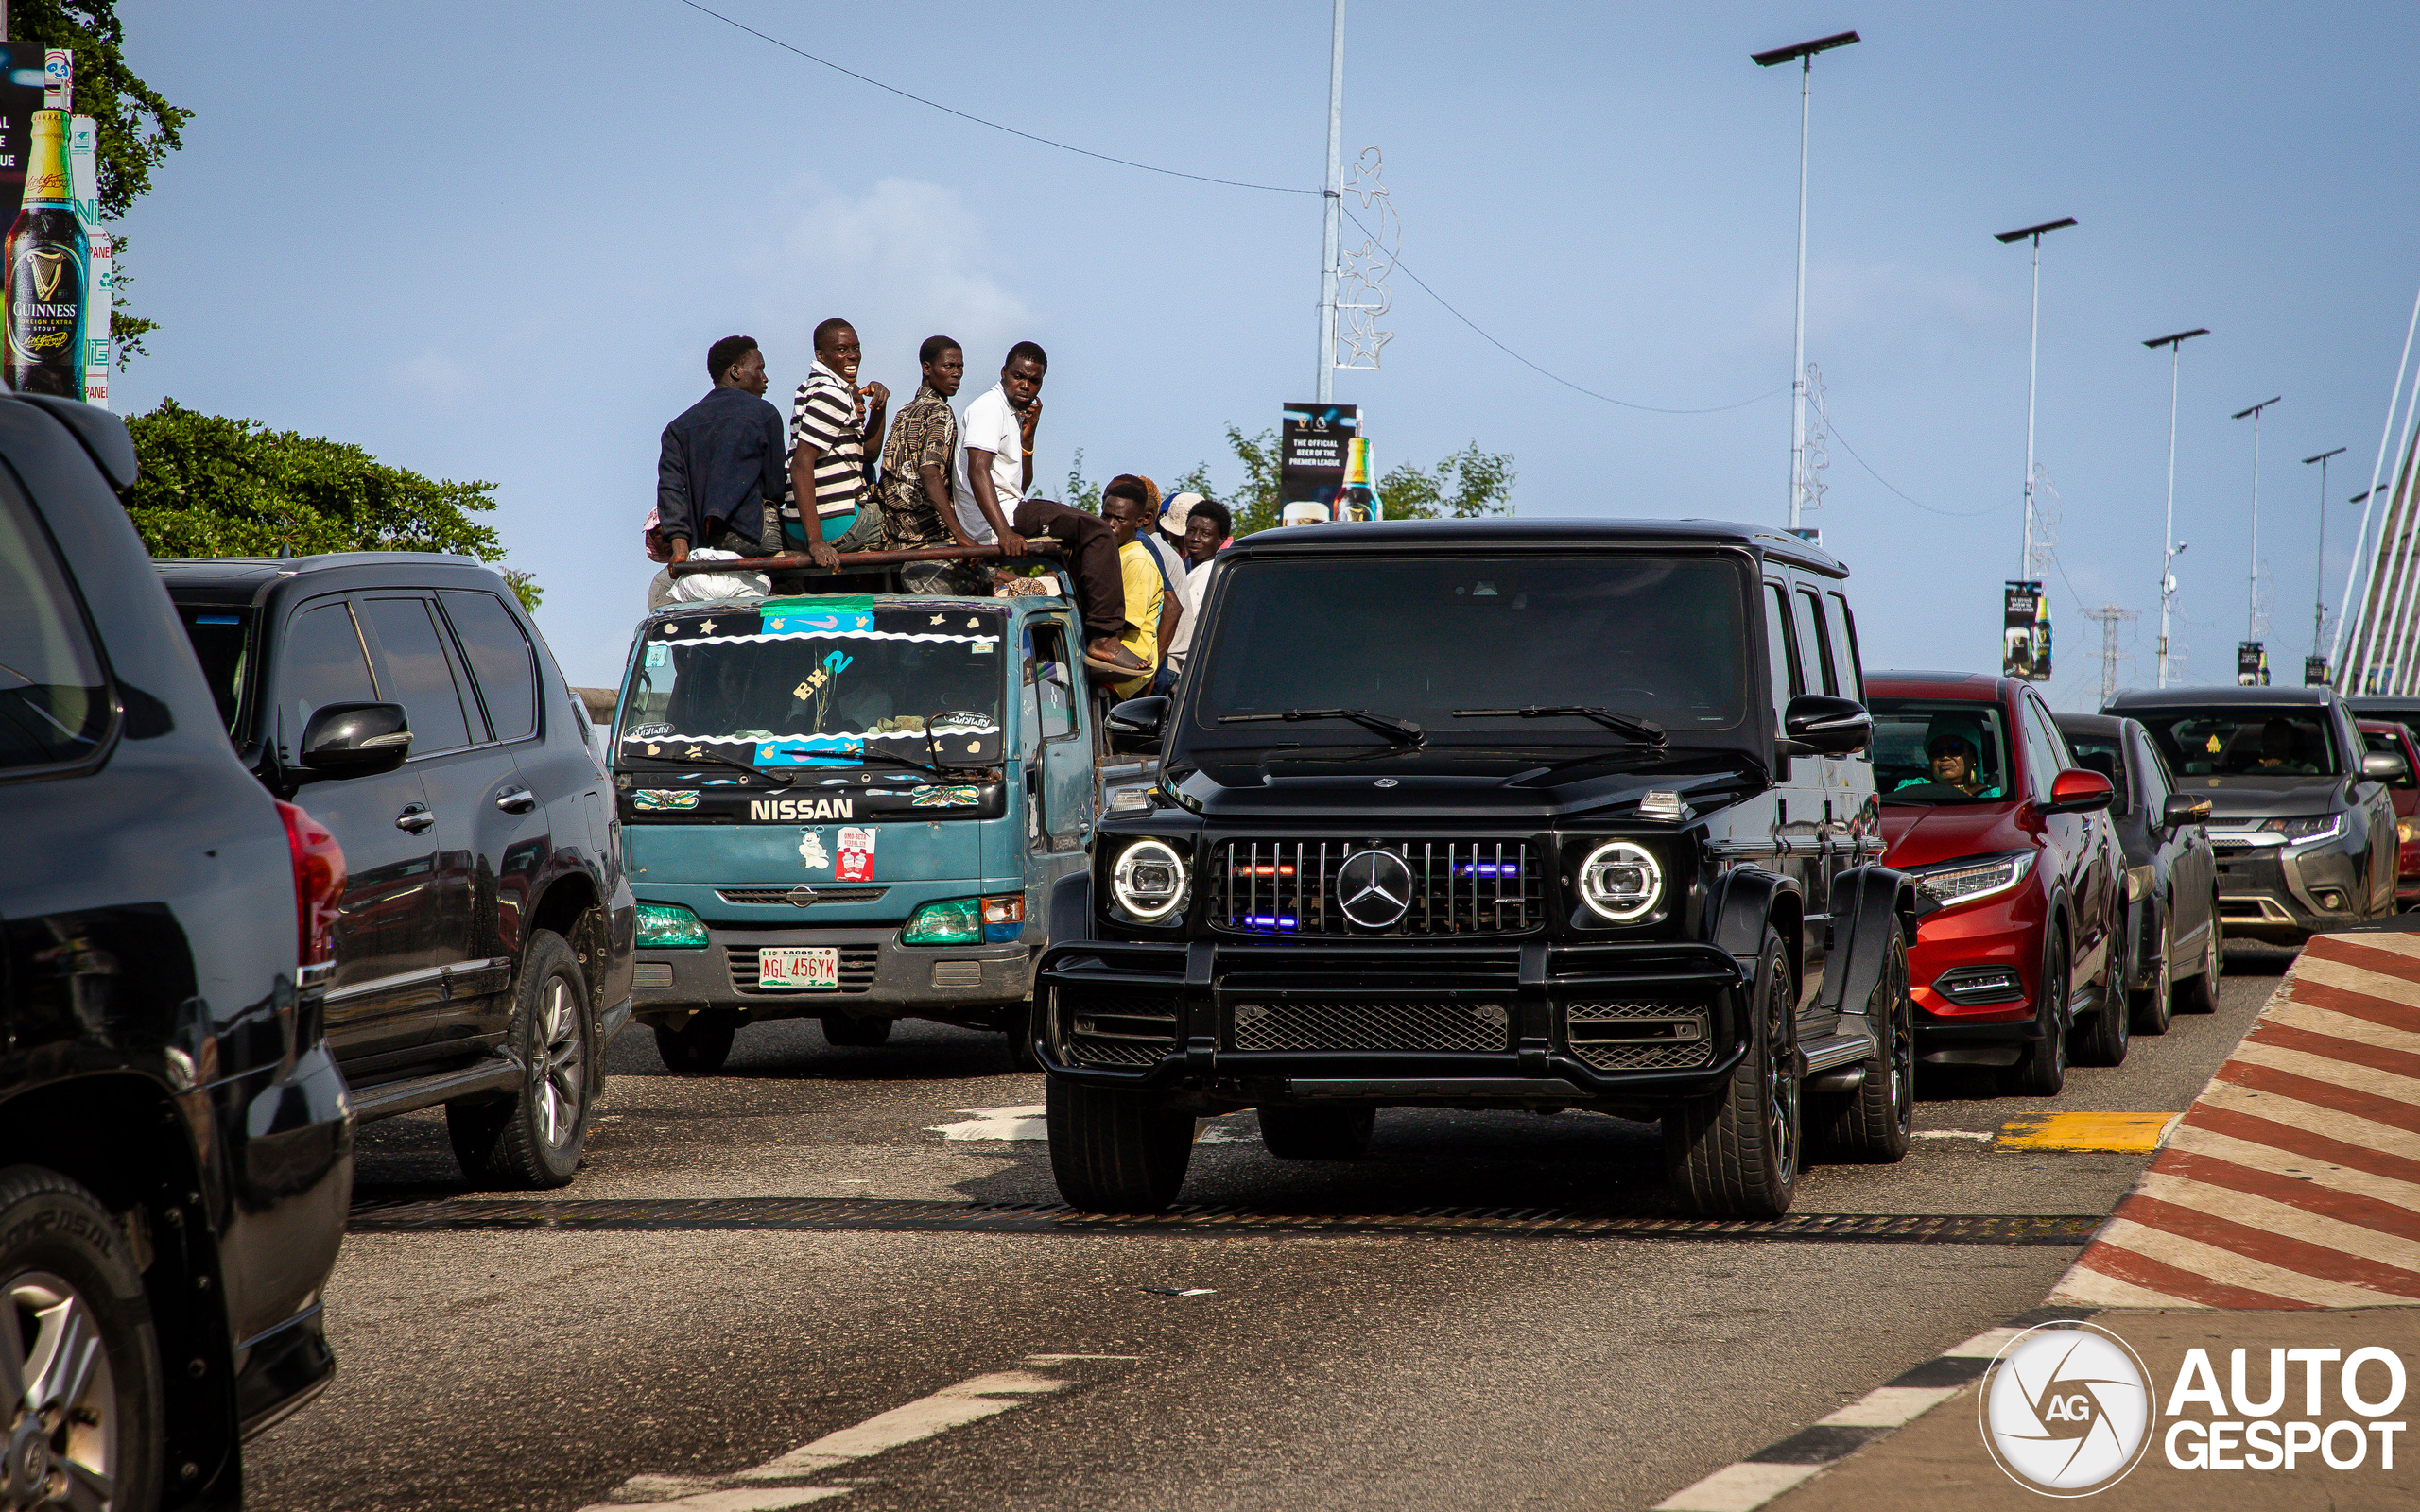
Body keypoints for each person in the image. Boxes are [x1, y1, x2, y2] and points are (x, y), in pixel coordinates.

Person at [656, 335, 786, 566]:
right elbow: (776, 489)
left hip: (703, 543)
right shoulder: (765, 414)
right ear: (735, 371)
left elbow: (671, 490)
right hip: (754, 536)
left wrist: (680, 547)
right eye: (759, 369)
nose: (765, 379)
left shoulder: (677, 428)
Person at [877, 335, 980, 593]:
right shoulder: (940, 412)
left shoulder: (904, 411)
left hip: (894, 535)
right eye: (948, 366)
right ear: (927, 368)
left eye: (960, 367)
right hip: (927, 535)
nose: (957, 374)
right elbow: (928, 471)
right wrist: (959, 534)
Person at [786, 318, 890, 570]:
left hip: (796, 526)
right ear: (821, 356)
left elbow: (869, 455)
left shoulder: (810, 388)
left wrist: (878, 409)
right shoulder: (831, 393)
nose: (853, 356)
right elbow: (801, 464)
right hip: (833, 526)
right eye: (842, 350)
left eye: (856, 348)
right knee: (903, 518)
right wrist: (816, 543)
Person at [955, 342, 1046, 555]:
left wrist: (1028, 441)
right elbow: (978, 471)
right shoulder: (989, 407)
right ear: (1004, 373)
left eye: (1034, 381)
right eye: (1018, 377)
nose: (1025, 386)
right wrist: (1005, 533)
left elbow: (1018, 488)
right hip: (992, 525)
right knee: (1089, 527)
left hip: (1009, 514)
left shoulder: (1012, 413)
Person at [1099, 485, 1165, 698]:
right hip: (1110, 657)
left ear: (1139, 522)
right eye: (1106, 516)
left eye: (1120, 519)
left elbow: (1121, 627)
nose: (1111, 525)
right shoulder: (1115, 552)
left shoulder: (1138, 560)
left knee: (1048, 674)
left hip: (1125, 663)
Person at [1896, 731, 2002, 799]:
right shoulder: (1913, 790)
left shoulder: (1997, 797)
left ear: (1973, 756)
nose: (1945, 756)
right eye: (1936, 750)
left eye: (1955, 749)